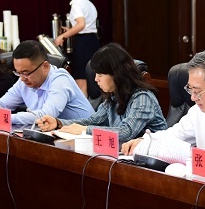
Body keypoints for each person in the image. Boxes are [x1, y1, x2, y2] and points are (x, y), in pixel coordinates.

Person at [36, 42, 165, 142]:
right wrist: (58, 123)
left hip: (153, 160)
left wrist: (85, 130)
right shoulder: (113, 98)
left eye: (100, 74)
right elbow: (92, 121)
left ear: (117, 74)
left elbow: (126, 132)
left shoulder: (142, 98)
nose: (96, 79)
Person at [0, 40, 93, 128]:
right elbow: (3, 104)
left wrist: (1, 117)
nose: (22, 78)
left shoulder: (60, 80)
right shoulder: (23, 80)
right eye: (18, 72)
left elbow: (45, 116)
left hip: (83, 137)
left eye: (26, 72)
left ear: (45, 66)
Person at [54, 0, 99, 96]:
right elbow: (86, 25)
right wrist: (71, 30)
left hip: (83, 43)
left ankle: (82, 106)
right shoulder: (88, 3)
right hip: (92, 40)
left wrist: (63, 36)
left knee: (81, 78)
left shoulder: (76, 4)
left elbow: (81, 24)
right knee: (91, 75)